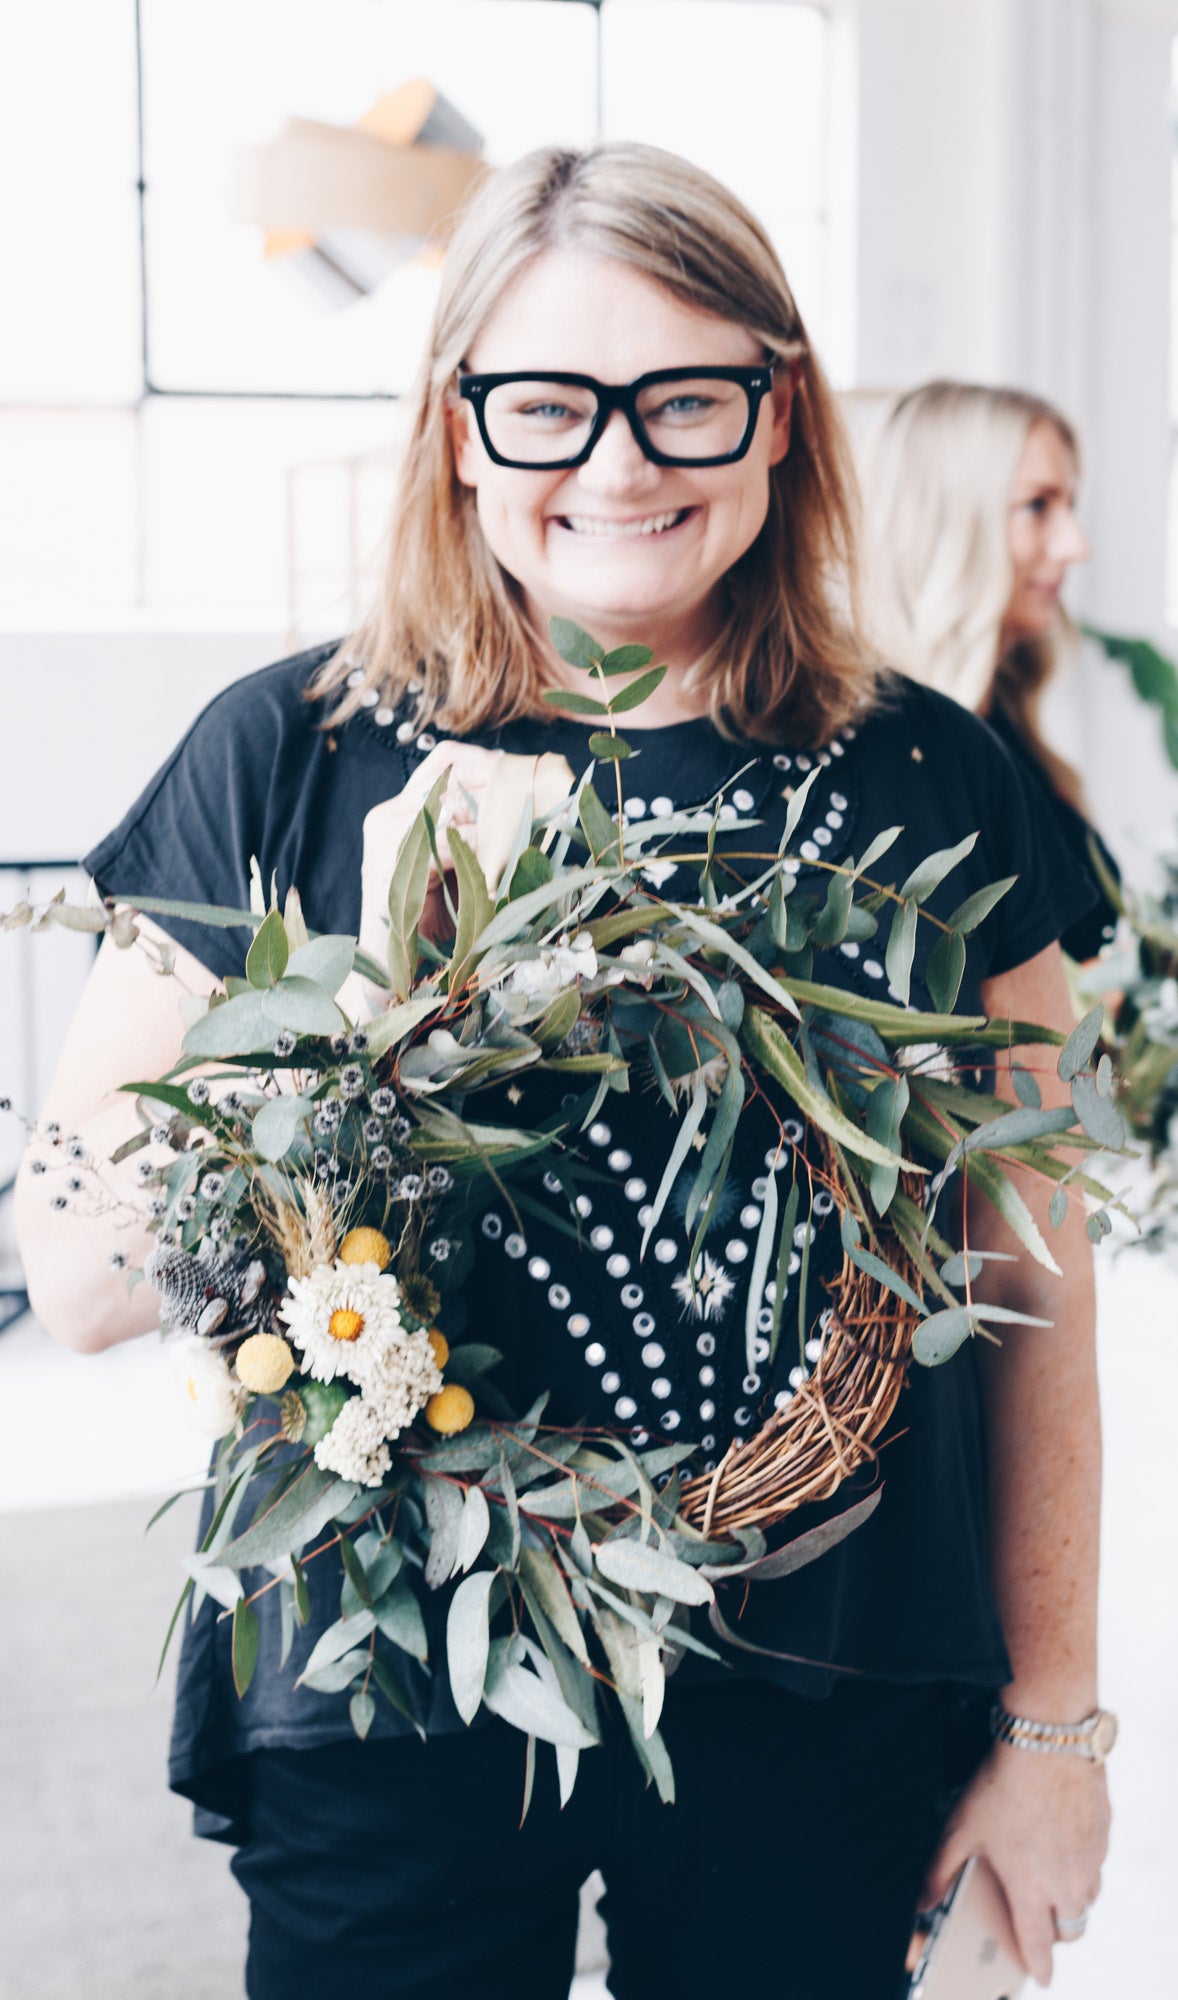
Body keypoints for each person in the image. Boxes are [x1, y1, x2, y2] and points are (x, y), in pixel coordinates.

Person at [17, 146, 1110, 1998]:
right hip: (394, 1682)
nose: (617, 467)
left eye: (686, 397)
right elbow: (77, 1268)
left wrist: (1058, 1726)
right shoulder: (289, 756)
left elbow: (1035, 1282)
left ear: (779, 418)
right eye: (547, 405)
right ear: (456, 431)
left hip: (820, 1680)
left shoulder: (924, 781)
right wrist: (368, 1021)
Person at [861, 380, 1118, 961]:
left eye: (1070, 506)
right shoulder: (890, 759)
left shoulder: (1007, 726)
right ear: (946, 520)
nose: (1075, 545)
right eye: (1038, 506)